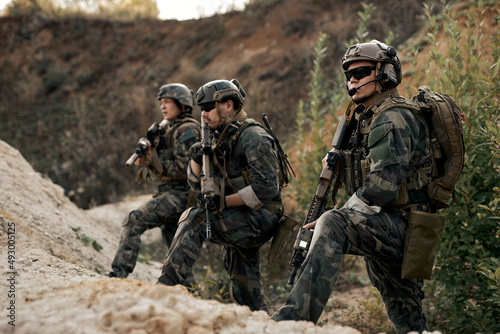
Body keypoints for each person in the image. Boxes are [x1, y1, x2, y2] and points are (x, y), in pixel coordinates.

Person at [271, 40, 430, 333]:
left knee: (334, 222)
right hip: (390, 223)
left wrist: (336, 216)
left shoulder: (392, 117)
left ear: (385, 74)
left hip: (402, 225)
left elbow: (382, 188)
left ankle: (292, 323)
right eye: (349, 74)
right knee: (405, 313)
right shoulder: (368, 118)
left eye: (362, 72)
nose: (352, 80)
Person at [157, 79, 283, 313]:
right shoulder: (218, 136)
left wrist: (224, 202)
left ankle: (163, 290)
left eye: (208, 108)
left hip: (261, 217)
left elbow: (267, 188)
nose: (203, 114)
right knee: (245, 291)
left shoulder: (253, 136)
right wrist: (196, 161)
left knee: (194, 218)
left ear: (228, 105)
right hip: (239, 215)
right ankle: (263, 324)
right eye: (201, 109)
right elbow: (197, 185)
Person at [109, 83, 201, 279]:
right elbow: (161, 171)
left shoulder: (187, 130)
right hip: (170, 194)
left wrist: (152, 159)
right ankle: (192, 295)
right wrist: (146, 159)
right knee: (176, 256)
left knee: (133, 219)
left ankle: (118, 275)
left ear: (182, 104)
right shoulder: (168, 129)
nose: (163, 107)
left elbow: (186, 170)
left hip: (183, 194)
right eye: (161, 103)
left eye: (168, 102)